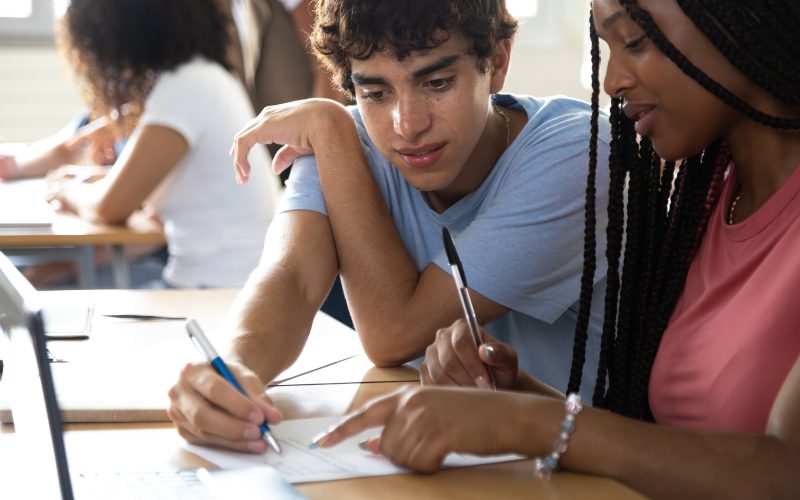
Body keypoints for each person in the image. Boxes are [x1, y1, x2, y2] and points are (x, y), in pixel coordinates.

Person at [312, 0, 800, 497]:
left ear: (747, 19)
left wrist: (530, 424)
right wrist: (514, 395)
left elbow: (787, 471)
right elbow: (672, 446)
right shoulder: (709, 194)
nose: (612, 82)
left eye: (635, 42)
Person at [168, 0, 611, 453]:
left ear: (497, 62)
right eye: (376, 93)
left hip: (586, 469)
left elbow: (393, 334)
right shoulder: (345, 134)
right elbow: (292, 277)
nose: (408, 124)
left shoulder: (581, 152)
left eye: (437, 82)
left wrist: (328, 124)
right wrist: (233, 368)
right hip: (443, 456)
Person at [27, 0, 282, 288]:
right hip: (216, 284)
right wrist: (95, 179)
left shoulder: (186, 86)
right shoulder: (201, 77)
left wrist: (66, 190)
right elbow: (164, 188)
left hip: (218, 293)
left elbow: (109, 208)